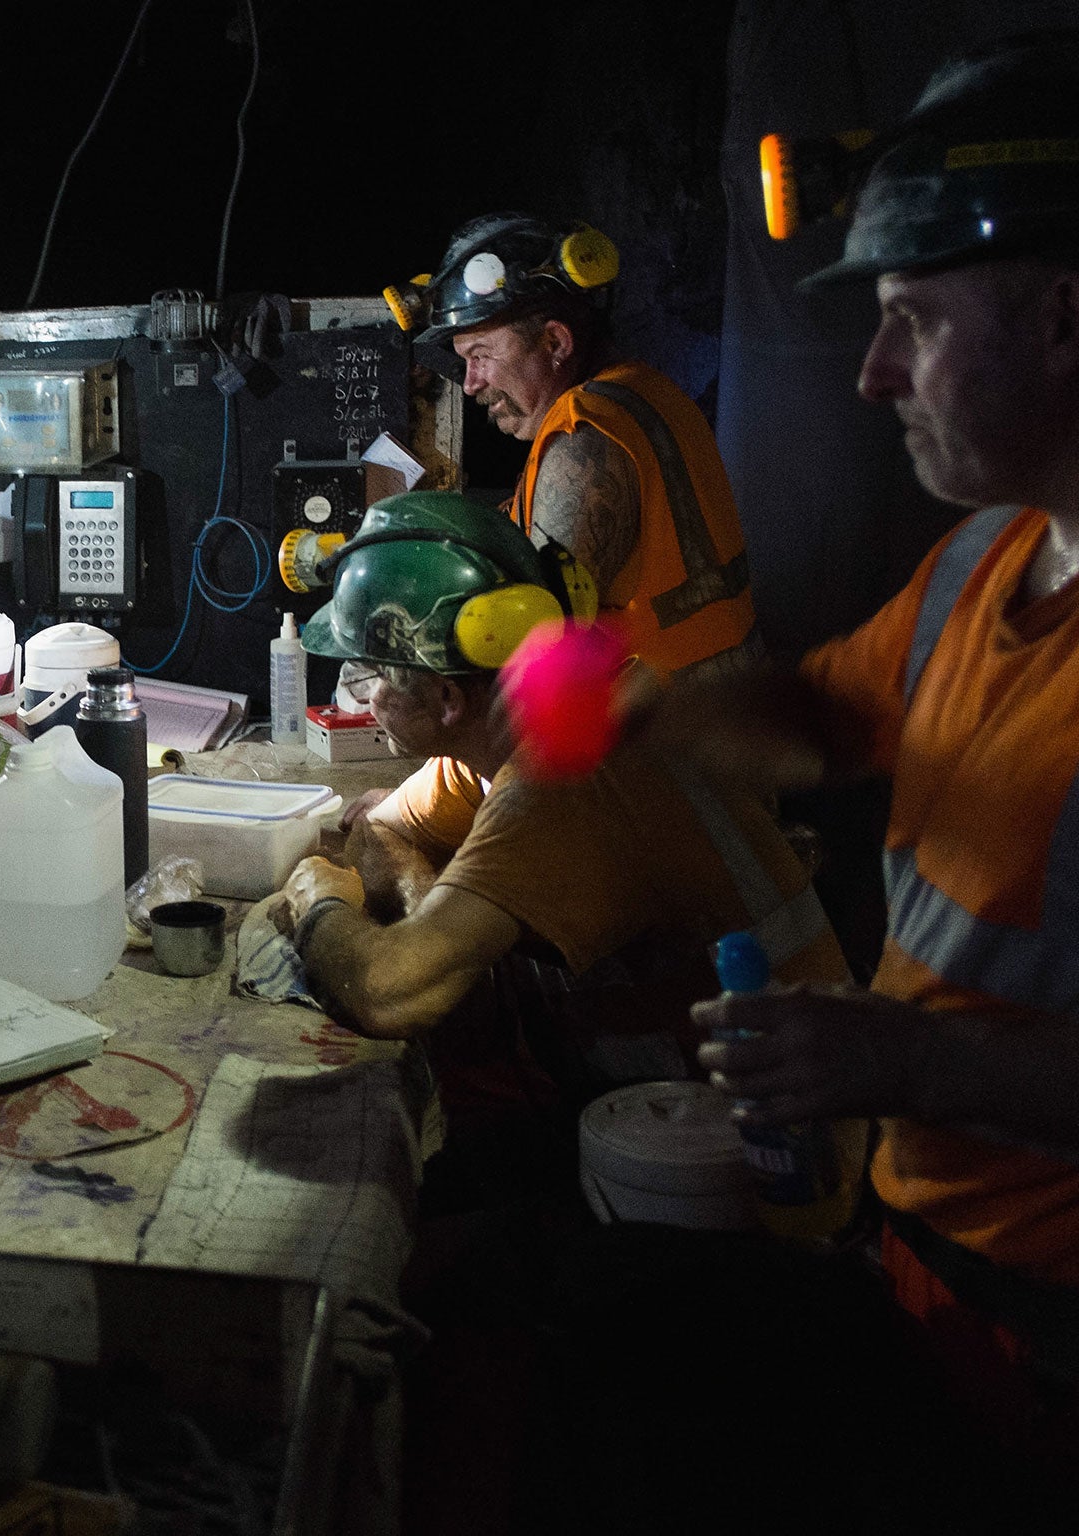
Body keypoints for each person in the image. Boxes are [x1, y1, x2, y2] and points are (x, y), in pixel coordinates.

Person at [665, 33, 1079, 1464]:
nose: (870, 374)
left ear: (1065, 318)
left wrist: (908, 1061)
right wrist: (624, 712)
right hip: (929, 1265)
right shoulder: (987, 559)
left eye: (910, 318)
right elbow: (824, 722)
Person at [272, 492, 846, 1117]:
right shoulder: (496, 742)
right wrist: (428, 895)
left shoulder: (563, 777)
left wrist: (318, 898)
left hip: (766, 1151)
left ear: (446, 700)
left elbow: (390, 992)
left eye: (367, 674)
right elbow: (379, 830)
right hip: (655, 1101)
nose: (363, 699)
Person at [410, 215, 764, 681]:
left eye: (480, 355)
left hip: (668, 733)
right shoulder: (643, 391)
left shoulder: (587, 435)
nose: (471, 384)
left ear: (556, 341)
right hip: (716, 714)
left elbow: (537, 639)